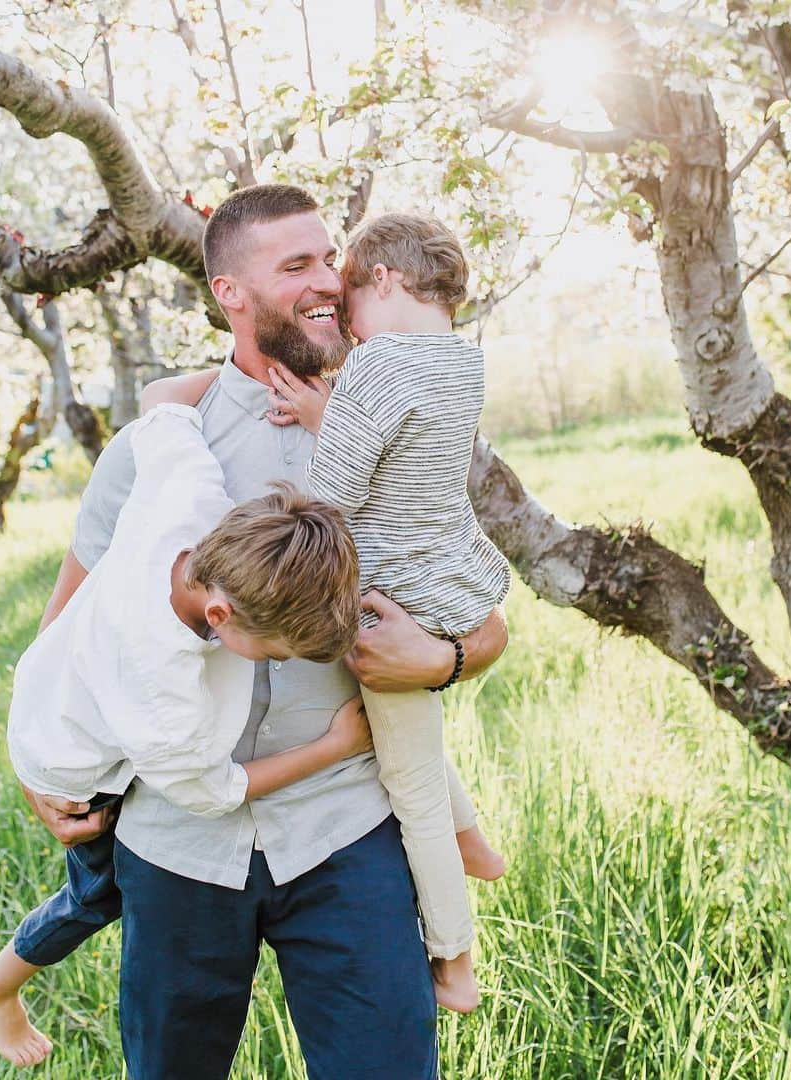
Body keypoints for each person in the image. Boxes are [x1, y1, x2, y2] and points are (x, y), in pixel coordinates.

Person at [22, 184, 509, 1080]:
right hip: (176, 843)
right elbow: (67, 625)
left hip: (347, 829)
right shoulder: (163, 444)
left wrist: (441, 662)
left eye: (332, 259)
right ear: (229, 294)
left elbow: (482, 624)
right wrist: (37, 771)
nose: (330, 281)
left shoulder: (397, 420)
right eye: (298, 267)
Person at [0, 404, 369, 1067]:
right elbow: (214, 791)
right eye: (275, 653)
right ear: (219, 614)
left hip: (56, 689)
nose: (276, 665)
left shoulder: (190, 498)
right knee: (100, 892)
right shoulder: (161, 687)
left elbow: (166, 410)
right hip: (68, 760)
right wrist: (333, 747)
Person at [265, 211, 511, 1011]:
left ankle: (454, 954)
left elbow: (332, 496)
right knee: (414, 738)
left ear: (386, 281)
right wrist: (330, 410)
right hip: (447, 580)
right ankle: (474, 841)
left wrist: (284, 511)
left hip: (386, 599)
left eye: (352, 303)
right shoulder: (461, 364)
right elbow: (401, 446)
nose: (347, 324)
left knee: (408, 782)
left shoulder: (375, 367)